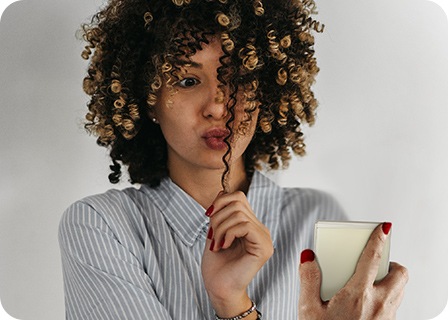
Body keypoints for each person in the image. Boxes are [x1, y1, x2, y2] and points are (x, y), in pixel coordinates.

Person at [58, 0, 408, 319]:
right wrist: (231, 303)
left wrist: (233, 303)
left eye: (238, 77)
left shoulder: (318, 219)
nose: (217, 106)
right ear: (148, 97)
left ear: (267, 87)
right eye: (187, 80)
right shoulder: (100, 228)